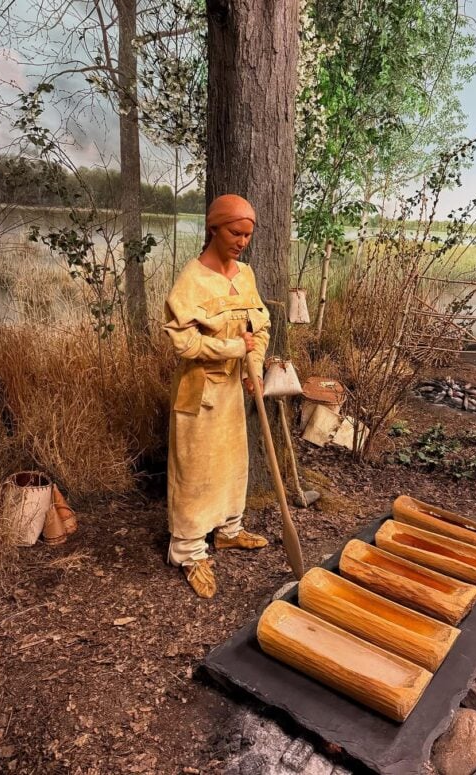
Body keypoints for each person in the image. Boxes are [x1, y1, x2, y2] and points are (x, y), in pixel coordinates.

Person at [163, 194, 271, 598]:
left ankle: (228, 530)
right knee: (194, 470)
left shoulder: (245, 275)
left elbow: (258, 328)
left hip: (232, 390)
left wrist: (254, 367)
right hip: (200, 392)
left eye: (247, 234)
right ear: (214, 229)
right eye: (235, 232)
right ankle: (189, 551)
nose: (242, 241)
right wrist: (234, 351)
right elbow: (183, 343)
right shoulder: (191, 280)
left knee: (232, 462)